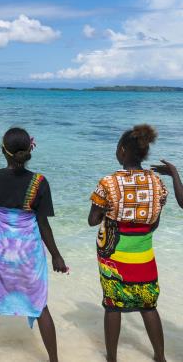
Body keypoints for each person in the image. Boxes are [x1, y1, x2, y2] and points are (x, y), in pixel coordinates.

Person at [0, 127, 68, 362]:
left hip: (0, 252)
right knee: (39, 303)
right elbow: (43, 225)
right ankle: (53, 359)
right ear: (30, 149)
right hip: (28, 253)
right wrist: (56, 256)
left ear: (3, 150)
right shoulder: (39, 182)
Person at [88, 124, 168, 362]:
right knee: (148, 306)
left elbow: (93, 220)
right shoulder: (157, 183)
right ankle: (160, 357)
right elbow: (154, 223)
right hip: (144, 255)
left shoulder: (109, 183)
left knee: (113, 306)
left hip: (114, 255)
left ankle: (111, 358)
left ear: (122, 151)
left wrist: (109, 213)